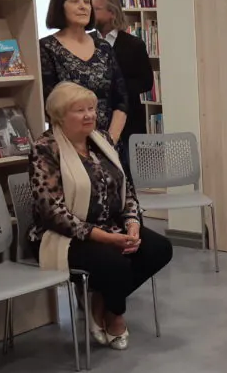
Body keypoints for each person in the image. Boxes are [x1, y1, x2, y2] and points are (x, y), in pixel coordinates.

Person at [28, 82, 172, 351]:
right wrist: (104, 238)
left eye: (92, 109)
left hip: (110, 226)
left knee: (159, 248)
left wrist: (132, 224)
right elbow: (52, 212)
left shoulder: (102, 139)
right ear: (59, 116)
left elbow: (126, 188)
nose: (89, 115)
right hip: (64, 237)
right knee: (116, 262)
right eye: (80, 110)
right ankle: (116, 315)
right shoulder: (45, 148)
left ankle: (101, 303)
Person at [40, 0, 128, 143]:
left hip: (108, 141)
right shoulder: (46, 47)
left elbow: (121, 99)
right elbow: (49, 105)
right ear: (59, 7)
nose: (83, 7)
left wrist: (111, 140)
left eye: (87, 2)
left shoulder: (103, 47)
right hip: (68, 142)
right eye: (74, 1)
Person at [92, 0, 155, 174]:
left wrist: (115, 88)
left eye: (96, 9)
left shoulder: (134, 45)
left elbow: (145, 82)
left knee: (133, 173)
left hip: (129, 118)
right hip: (94, 118)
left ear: (112, 13)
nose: (90, 13)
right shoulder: (85, 42)